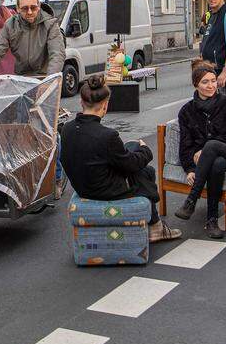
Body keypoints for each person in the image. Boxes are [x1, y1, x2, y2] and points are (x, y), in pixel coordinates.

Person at [59, 75, 181, 243]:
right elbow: (131, 165)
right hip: (104, 190)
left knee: (131, 146)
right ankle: (156, 227)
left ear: (82, 102)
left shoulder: (67, 128)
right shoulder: (107, 135)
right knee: (146, 171)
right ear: (105, 105)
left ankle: (155, 224)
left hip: (82, 186)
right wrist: (146, 150)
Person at [174, 60, 226, 239]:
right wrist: (191, 169)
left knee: (213, 146)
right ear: (195, 85)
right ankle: (212, 220)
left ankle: (191, 200)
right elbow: (185, 144)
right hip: (210, 162)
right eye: (205, 82)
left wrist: (208, 147)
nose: (211, 85)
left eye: (213, 81)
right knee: (217, 162)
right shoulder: (186, 111)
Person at [0, 0, 66, 80]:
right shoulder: (10, 25)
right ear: (18, 8)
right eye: (25, 8)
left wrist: (49, 81)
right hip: (22, 78)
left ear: (39, 6)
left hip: (45, 76)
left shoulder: (50, 24)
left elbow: (57, 55)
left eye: (33, 7)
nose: (30, 12)